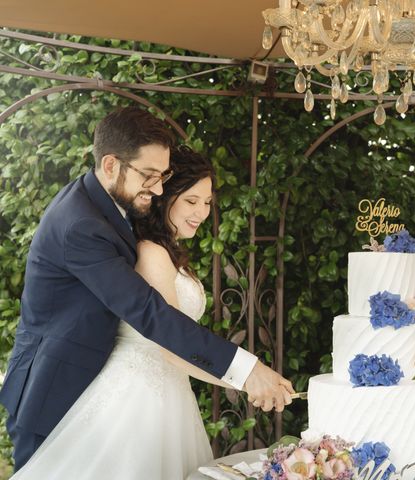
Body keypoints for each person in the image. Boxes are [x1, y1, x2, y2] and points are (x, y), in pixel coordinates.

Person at [0, 107, 294, 473]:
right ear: (111, 165)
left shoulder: (106, 203)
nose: (157, 189)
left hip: (102, 388)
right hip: (54, 391)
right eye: (150, 176)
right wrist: (246, 371)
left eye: (164, 176)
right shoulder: (80, 225)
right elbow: (150, 314)